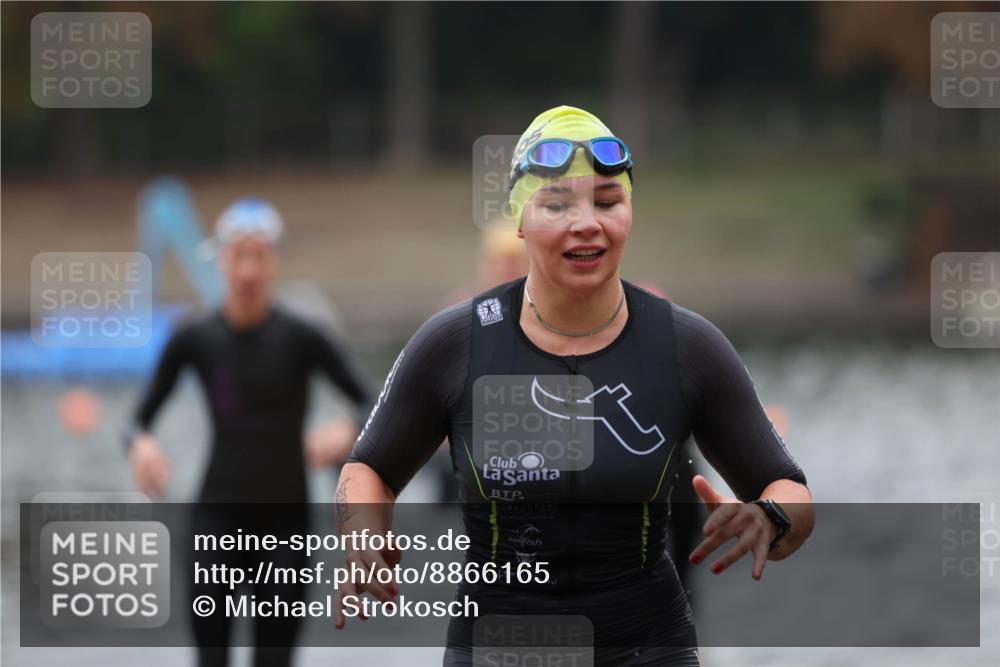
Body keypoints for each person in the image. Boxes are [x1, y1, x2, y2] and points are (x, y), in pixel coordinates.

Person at [335, 106, 814, 665]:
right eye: (558, 204)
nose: (586, 222)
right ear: (519, 220)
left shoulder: (685, 344)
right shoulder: (456, 342)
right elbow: (366, 469)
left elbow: (790, 489)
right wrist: (363, 536)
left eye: (608, 202)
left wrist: (771, 518)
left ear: (628, 214)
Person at [126, 198, 373, 667]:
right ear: (220, 260)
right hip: (214, 525)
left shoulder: (303, 336)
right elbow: (136, 419)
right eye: (238, 256)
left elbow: (373, 403)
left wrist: (347, 428)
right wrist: (141, 443)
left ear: (274, 260)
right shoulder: (195, 338)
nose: (248, 269)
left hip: (286, 529)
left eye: (259, 256)